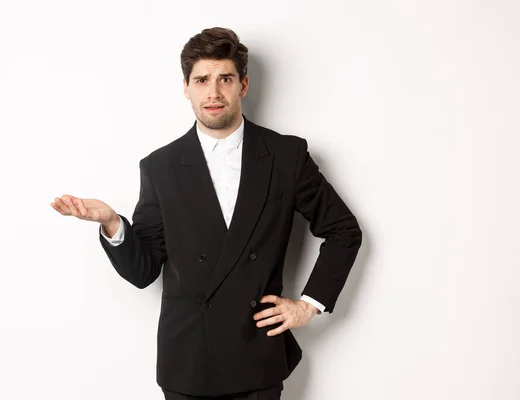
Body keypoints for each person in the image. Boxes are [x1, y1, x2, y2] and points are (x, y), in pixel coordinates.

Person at [51, 27, 362, 400]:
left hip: (256, 355)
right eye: (201, 80)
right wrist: (113, 224)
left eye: (225, 79)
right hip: (187, 360)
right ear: (186, 87)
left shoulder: (285, 156)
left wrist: (308, 305)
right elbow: (143, 271)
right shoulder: (160, 167)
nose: (213, 92)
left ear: (243, 84)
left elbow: (343, 230)